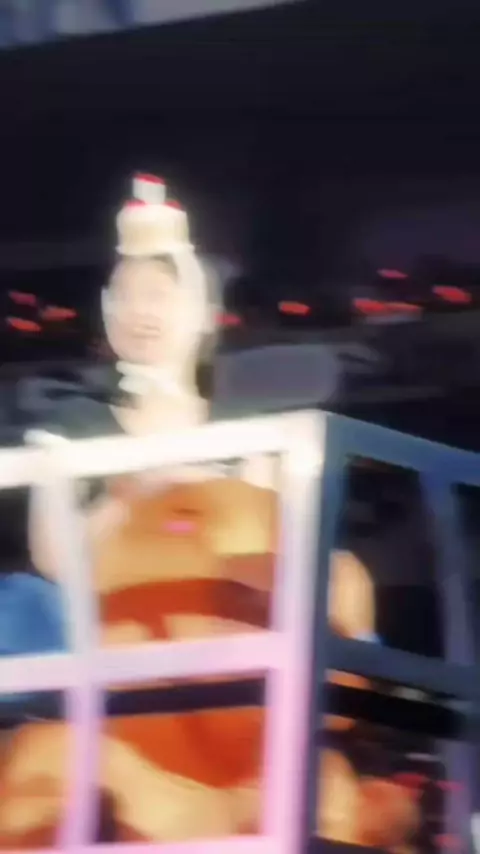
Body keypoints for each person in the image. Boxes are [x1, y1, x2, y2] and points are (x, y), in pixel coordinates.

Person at [0, 174, 391, 847]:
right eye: (126, 294)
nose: (141, 310)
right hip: (121, 648)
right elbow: (55, 555)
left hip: (233, 657)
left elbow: (285, 538)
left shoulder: (254, 428)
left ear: (202, 310)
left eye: (160, 292)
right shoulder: (74, 426)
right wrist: (139, 494)